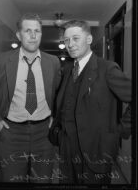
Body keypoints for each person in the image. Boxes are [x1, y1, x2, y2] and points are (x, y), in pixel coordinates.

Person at [48, 20, 132, 184]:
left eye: (75, 38)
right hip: (66, 150)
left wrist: (121, 130)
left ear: (89, 39)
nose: (70, 44)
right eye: (66, 40)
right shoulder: (66, 70)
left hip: (97, 150)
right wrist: (56, 128)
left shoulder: (107, 69)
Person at [0, 13, 61, 183]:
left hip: (44, 135)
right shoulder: (1, 61)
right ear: (19, 35)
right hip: (11, 135)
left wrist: (56, 117)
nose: (33, 36)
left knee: (43, 181)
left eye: (37, 31)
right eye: (28, 31)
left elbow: (60, 93)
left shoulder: (53, 62)